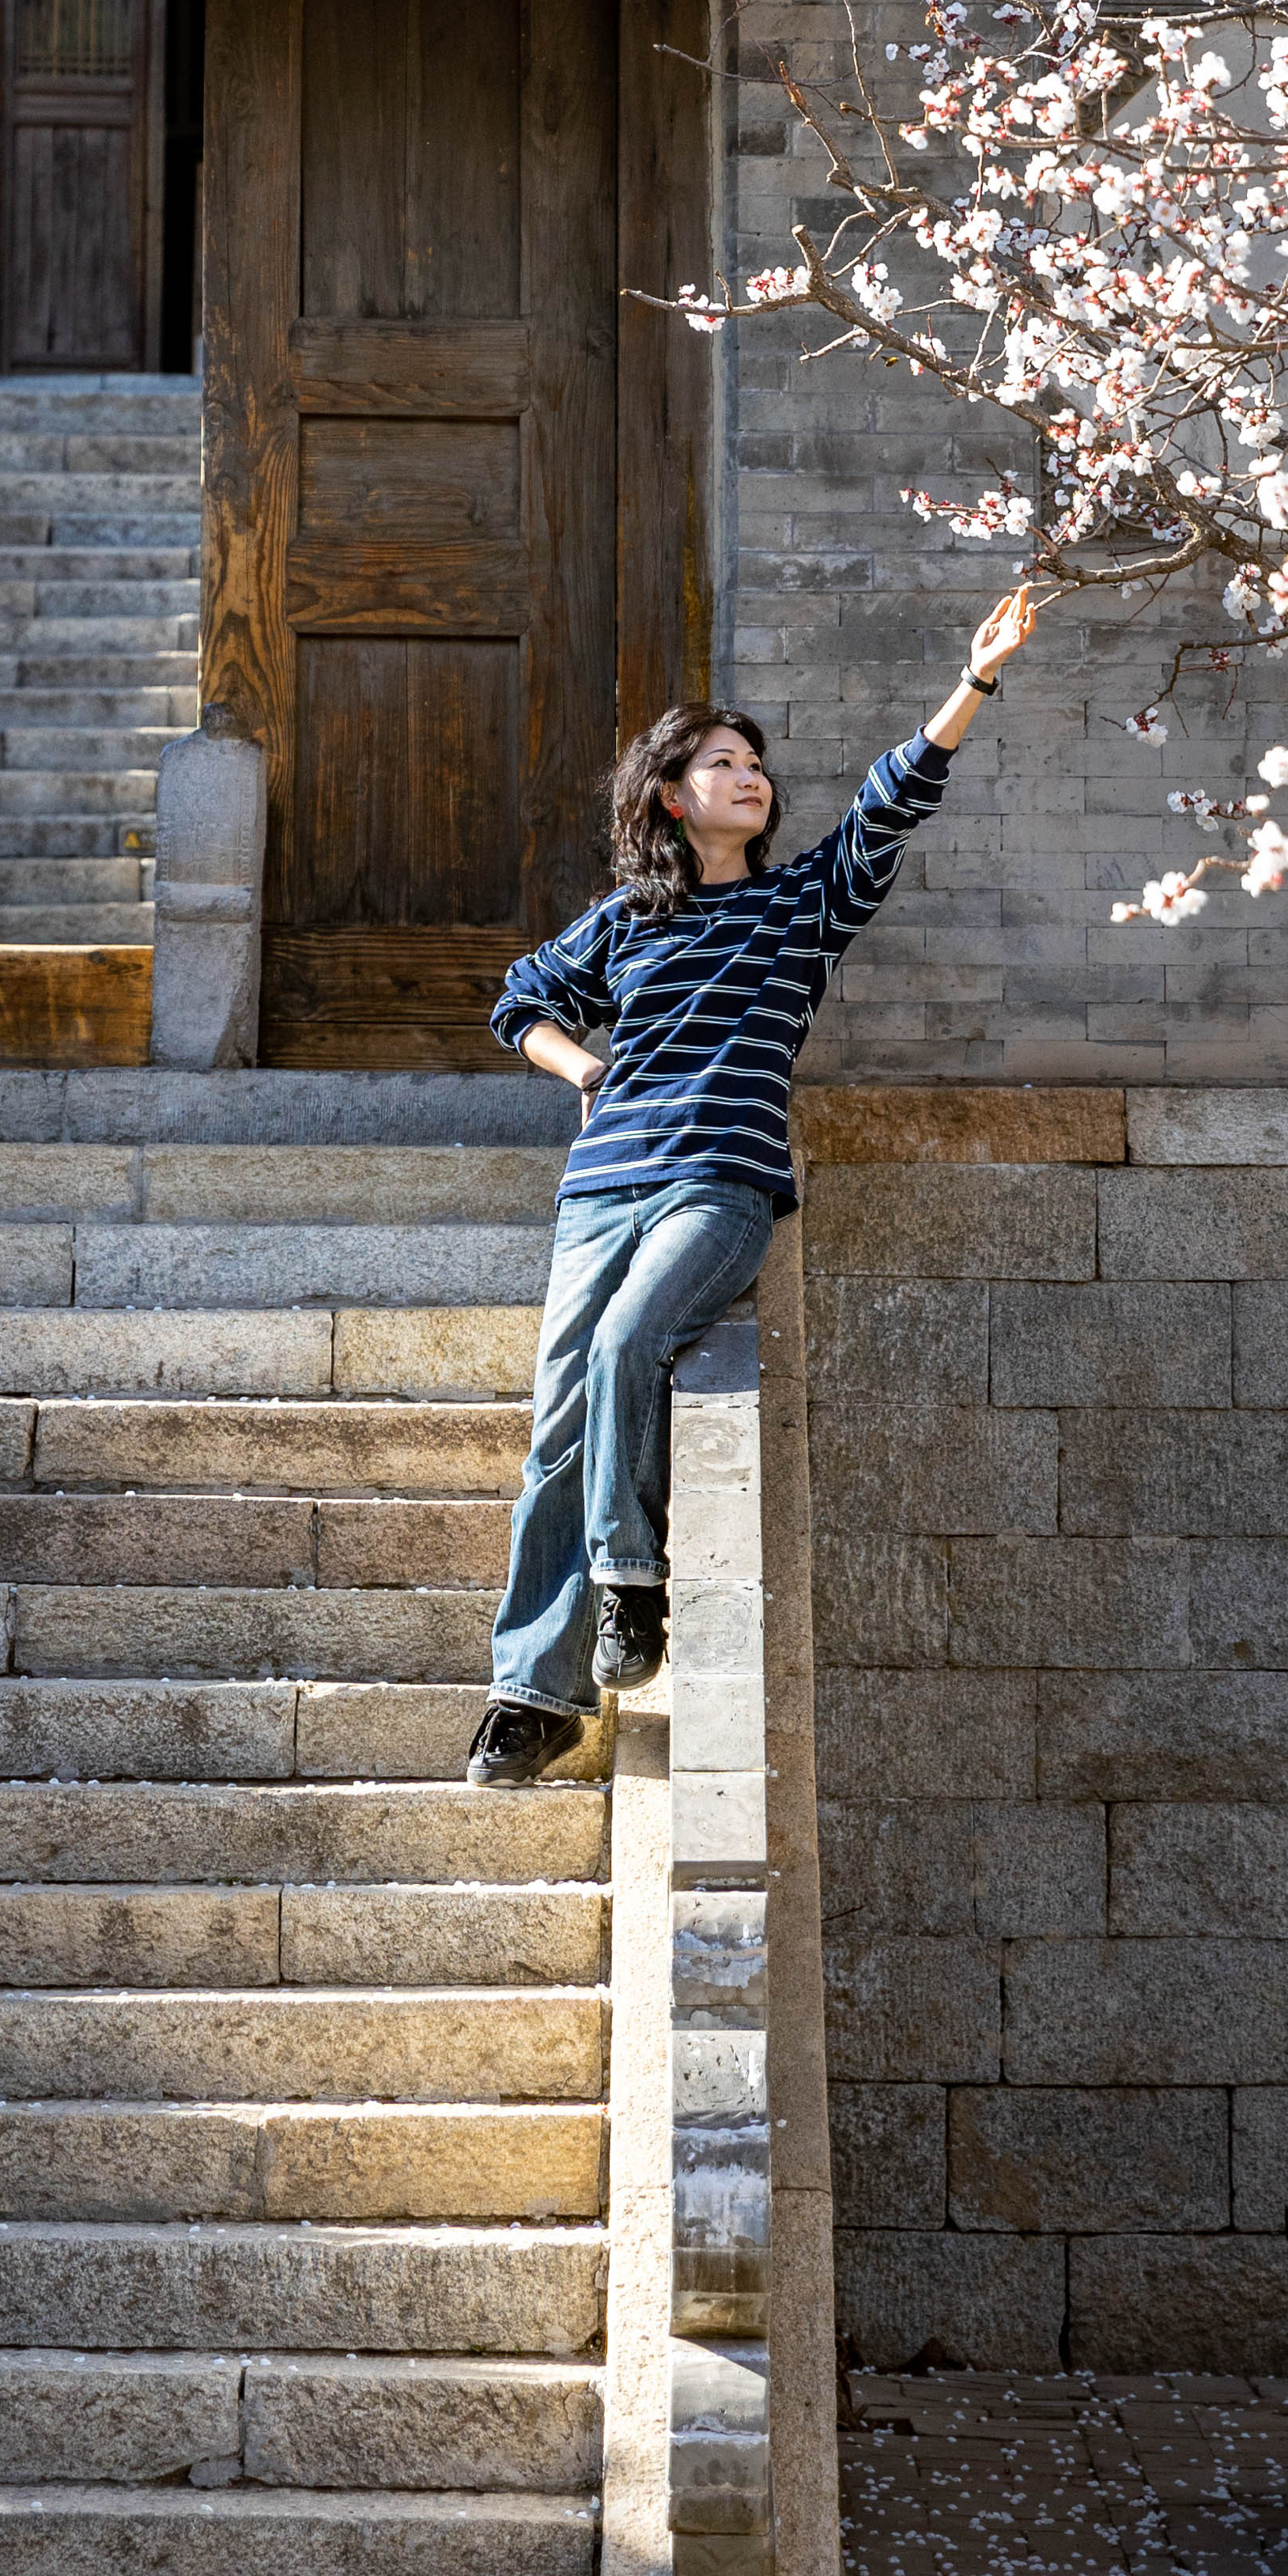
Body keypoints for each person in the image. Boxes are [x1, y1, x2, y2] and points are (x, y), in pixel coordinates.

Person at [464, 586, 1041, 1787]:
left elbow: (892, 805)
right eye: (723, 762)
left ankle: (631, 1583)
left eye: (756, 763)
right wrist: (584, 1065)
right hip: (603, 1184)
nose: (751, 776)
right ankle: (533, 1692)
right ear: (673, 797)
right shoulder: (630, 919)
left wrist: (973, 683)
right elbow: (520, 997)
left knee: (632, 1344)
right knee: (558, 1426)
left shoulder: (798, 906)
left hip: (720, 1185)